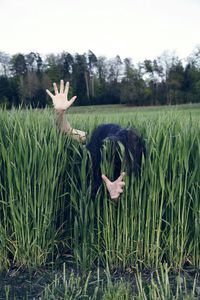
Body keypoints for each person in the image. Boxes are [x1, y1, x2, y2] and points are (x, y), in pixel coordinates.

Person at [46, 80, 146, 202]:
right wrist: (60, 112)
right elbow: (67, 130)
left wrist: (115, 198)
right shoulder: (96, 143)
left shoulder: (134, 161)